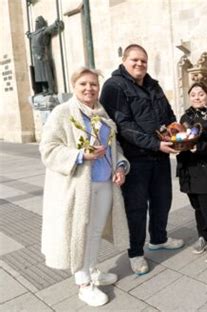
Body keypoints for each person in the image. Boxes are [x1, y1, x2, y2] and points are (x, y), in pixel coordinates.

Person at [39, 67, 130, 307]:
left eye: (93, 84)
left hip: (104, 184)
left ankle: (92, 269)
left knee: (95, 231)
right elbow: (48, 150)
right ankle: (83, 283)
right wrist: (81, 155)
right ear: (74, 86)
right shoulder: (62, 113)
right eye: (84, 84)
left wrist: (120, 166)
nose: (89, 88)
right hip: (79, 187)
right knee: (81, 232)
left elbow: (114, 148)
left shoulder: (102, 113)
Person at [100, 44, 184, 275]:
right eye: (135, 60)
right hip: (134, 159)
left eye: (143, 61)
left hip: (159, 156)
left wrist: (175, 135)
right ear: (124, 60)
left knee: (162, 200)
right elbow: (123, 126)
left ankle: (158, 238)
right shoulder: (114, 86)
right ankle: (135, 253)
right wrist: (156, 144)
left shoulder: (152, 84)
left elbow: (168, 115)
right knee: (136, 208)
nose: (140, 65)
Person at [176, 82, 207, 264]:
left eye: (201, 94)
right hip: (189, 169)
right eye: (193, 94)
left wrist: (200, 147)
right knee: (197, 207)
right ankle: (203, 236)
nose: (197, 97)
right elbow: (180, 137)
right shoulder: (185, 117)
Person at [26, 16, 63, 94]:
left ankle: (51, 89)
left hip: (43, 56)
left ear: (41, 22)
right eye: (36, 22)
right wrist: (28, 34)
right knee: (39, 75)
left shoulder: (43, 31)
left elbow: (49, 29)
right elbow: (30, 36)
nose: (36, 24)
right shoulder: (34, 34)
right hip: (36, 57)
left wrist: (55, 24)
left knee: (46, 73)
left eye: (38, 22)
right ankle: (44, 89)